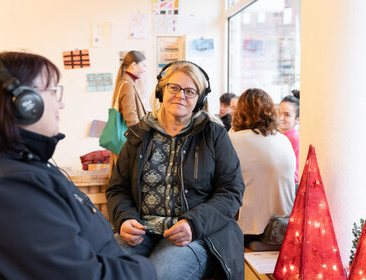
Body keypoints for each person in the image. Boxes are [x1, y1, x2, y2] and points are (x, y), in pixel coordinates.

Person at [0, 51, 156, 280]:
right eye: (54, 91)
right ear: (26, 103)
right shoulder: (5, 189)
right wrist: (146, 271)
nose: (61, 103)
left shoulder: (13, 166)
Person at [106, 61, 246, 280]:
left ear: (199, 99)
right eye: (174, 87)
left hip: (196, 235)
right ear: (162, 90)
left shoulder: (214, 134)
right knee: (102, 269)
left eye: (190, 91)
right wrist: (124, 218)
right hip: (142, 231)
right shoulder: (138, 135)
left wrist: (193, 223)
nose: (181, 95)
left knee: (161, 276)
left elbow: (231, 191)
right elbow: (117, 189)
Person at [228, 88, 296, 247]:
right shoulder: (284, 140)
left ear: (239, 113)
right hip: (283, 228)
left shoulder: (232, 140)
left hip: (250, 231)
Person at [109, 50, 147, 175]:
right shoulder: (127, 84)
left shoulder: (127, 82)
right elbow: (131, 116)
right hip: (130, 140)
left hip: (126, 139)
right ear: (134, 65)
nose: (144, 69)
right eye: (143, 65)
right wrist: (139, 138)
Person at [279, 89, 300, 185]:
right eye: (279, 112)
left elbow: (296, 174)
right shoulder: (278, 136)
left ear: (297, 119)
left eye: (287, 115)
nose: (281, 118)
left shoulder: (295, 139)